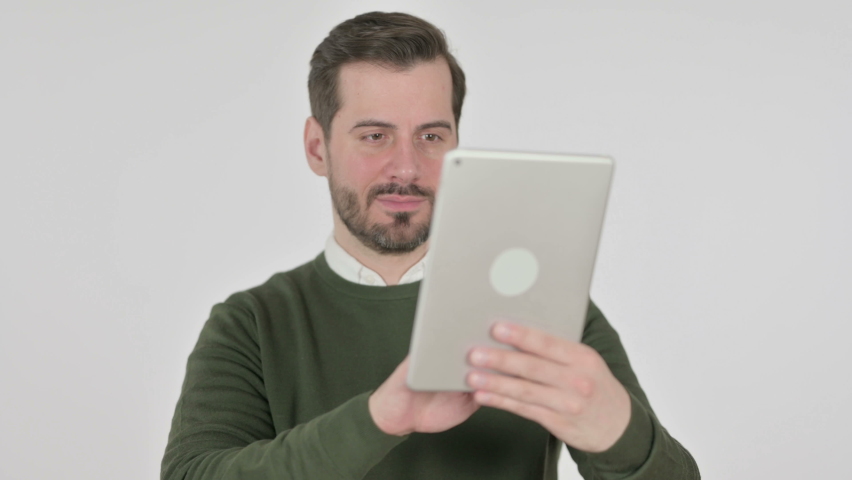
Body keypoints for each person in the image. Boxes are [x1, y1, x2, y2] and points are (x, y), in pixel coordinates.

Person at [161, 11, 699, 480]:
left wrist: (617, 429)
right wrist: (381, 418)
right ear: (317, 147)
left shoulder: (546, 309)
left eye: (431, 136)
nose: (407, 168)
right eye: (375, 136)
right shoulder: (251, 324)